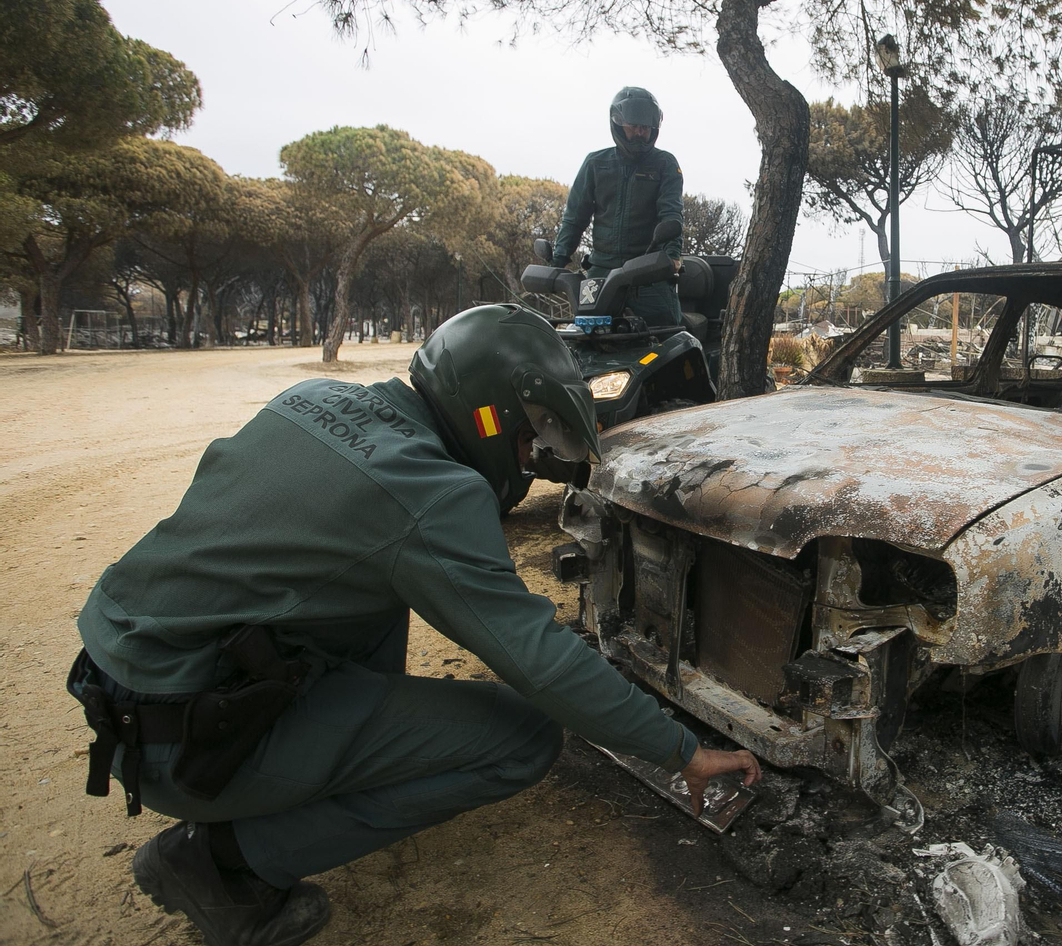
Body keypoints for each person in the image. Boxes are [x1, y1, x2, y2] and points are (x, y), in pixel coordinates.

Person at [66, 304, 760, 946]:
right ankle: (221, 861)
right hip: (192, 748)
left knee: (373, 591)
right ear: (488, 410)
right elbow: (537, 658)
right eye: (530, 434)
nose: (529, 455)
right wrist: (679, 751)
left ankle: (314, 766)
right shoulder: (429, 494)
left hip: (126, 690)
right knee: (521, 738)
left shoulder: (315, 400)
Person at [552, 86, 685, 326]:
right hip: (601, 273)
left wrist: (672, 255)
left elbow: (671, 214)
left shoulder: (664, 163)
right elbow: (575, 217)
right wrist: (558, 261)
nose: (640, 132)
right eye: (634, 126)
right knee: (582, 336)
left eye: (646, 127)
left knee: (670, 334)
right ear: (618, 123)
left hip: (648, 272)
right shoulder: (596, 163)